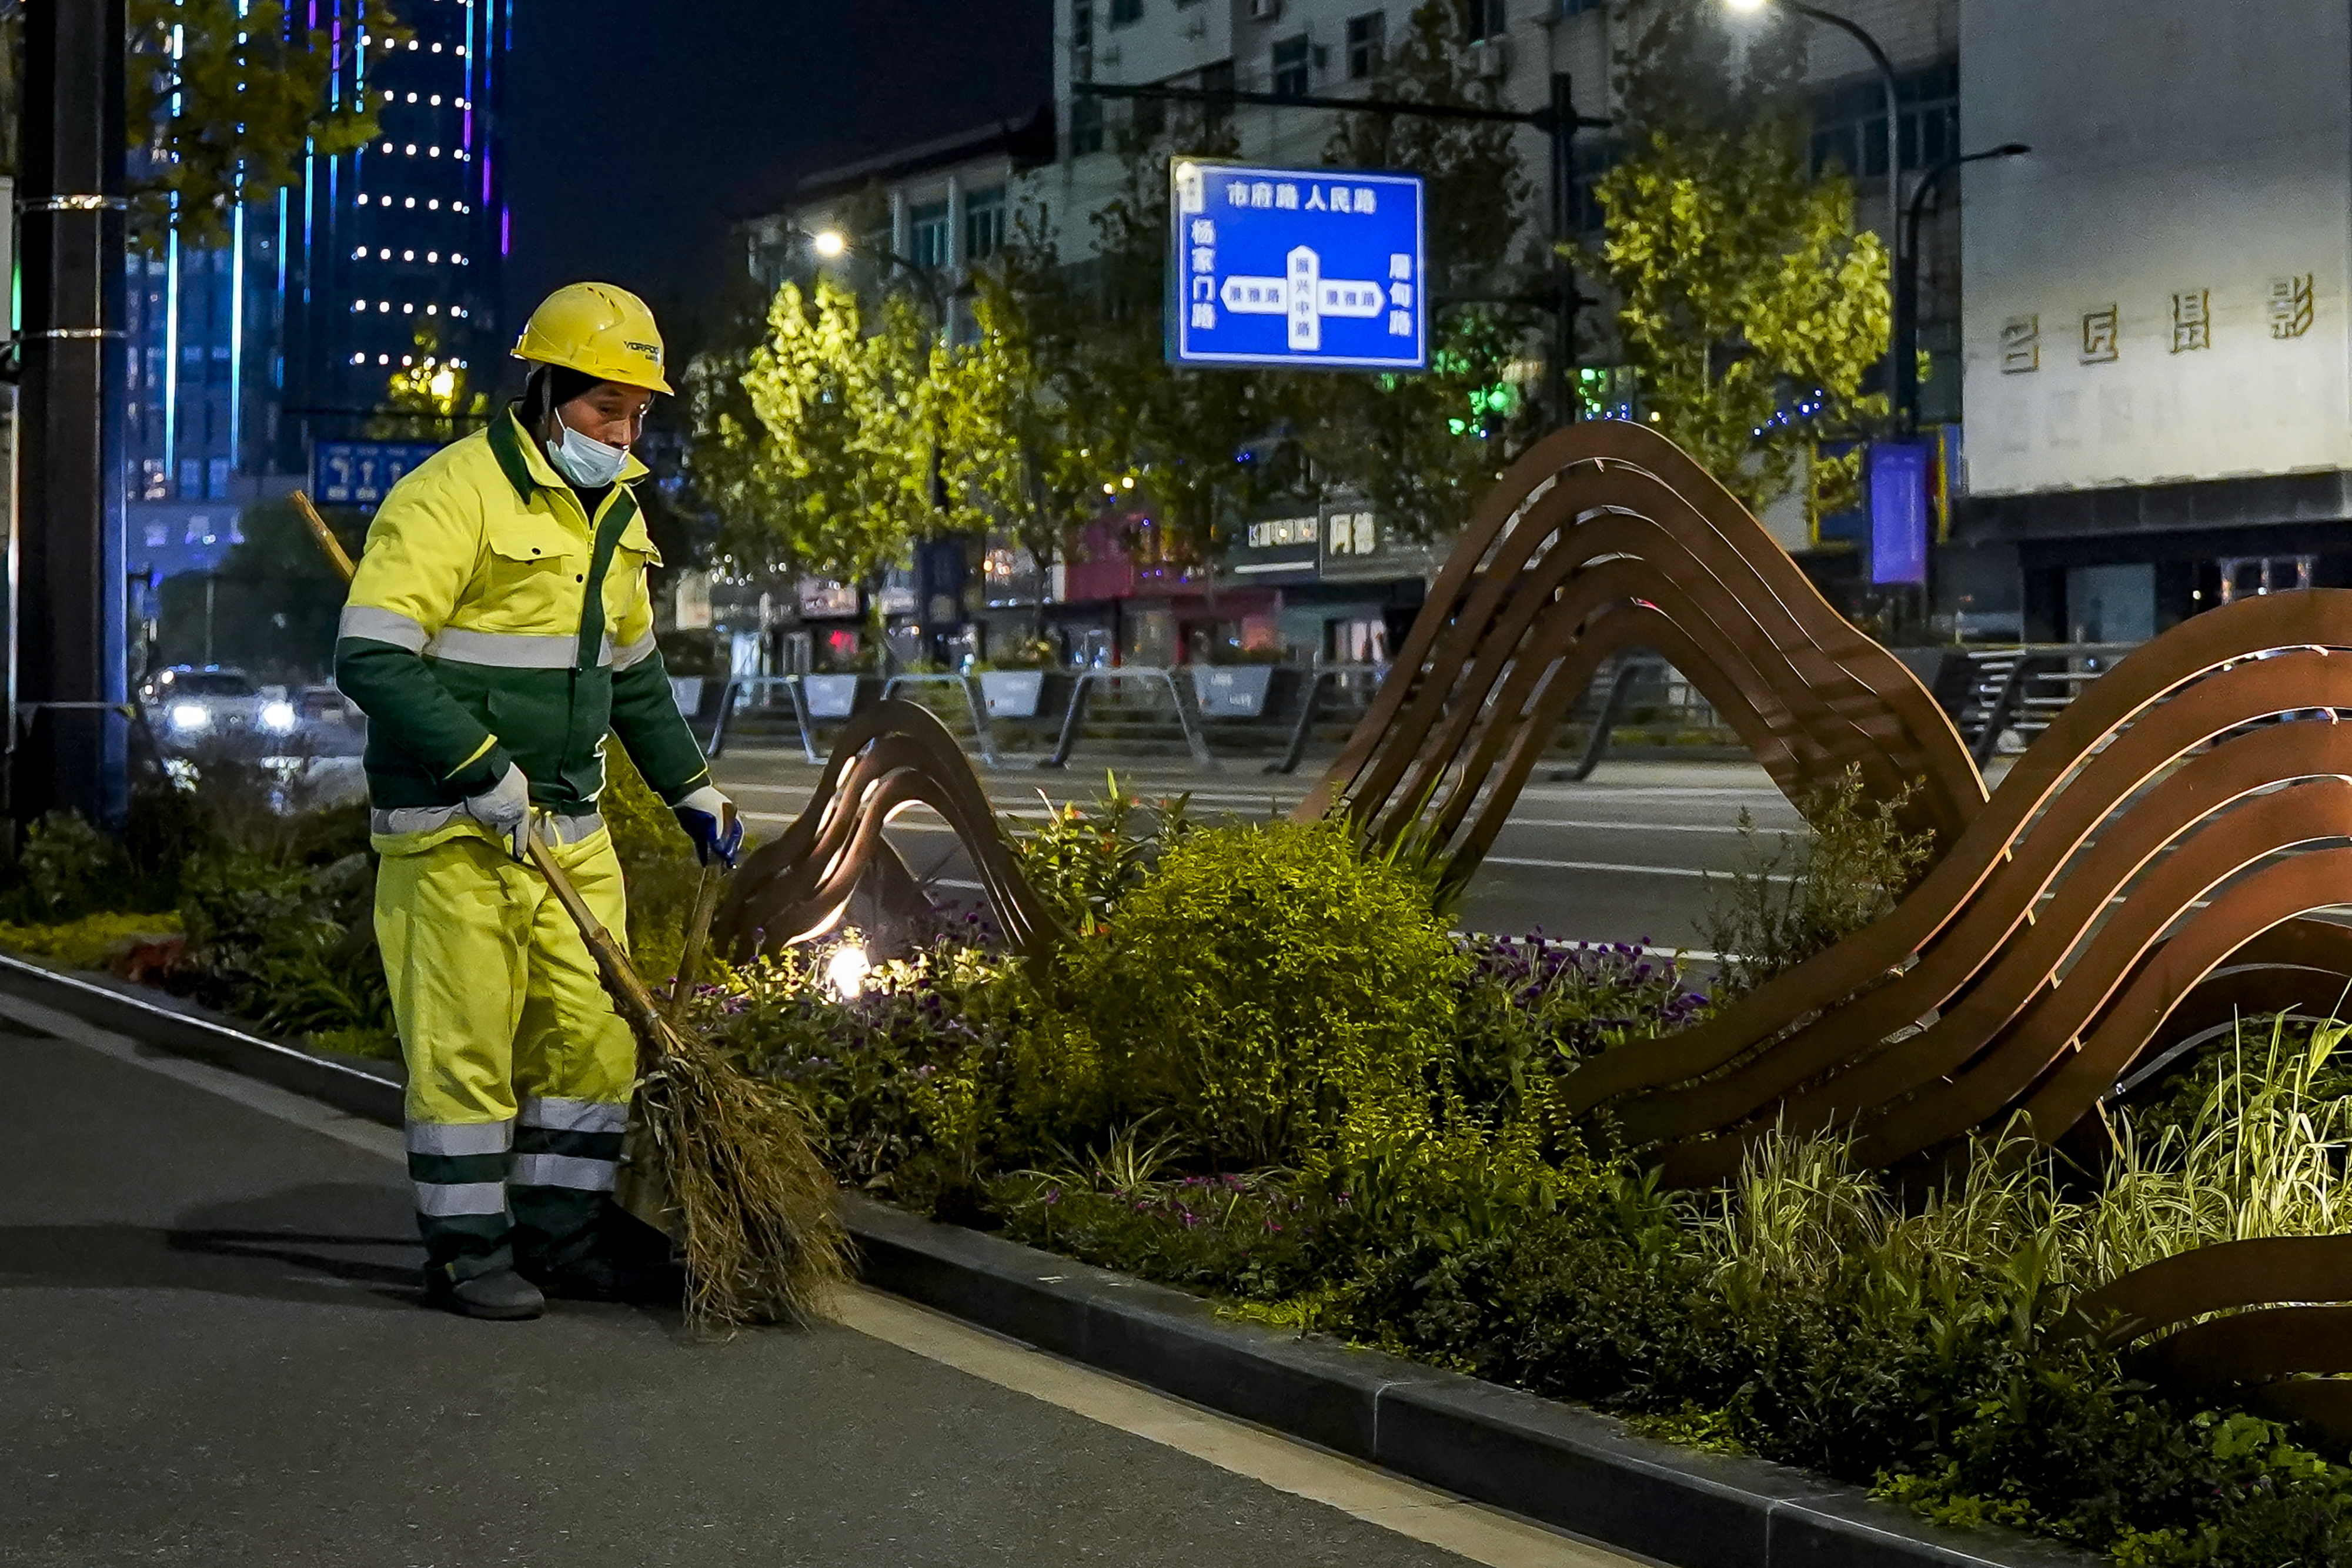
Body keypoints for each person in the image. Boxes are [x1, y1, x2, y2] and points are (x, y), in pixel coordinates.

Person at [335, 282, 743, 1320]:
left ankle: (565, 1242)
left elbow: (637, 679)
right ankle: (469, 1255)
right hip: (451, 837)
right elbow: (372, 658)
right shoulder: (450, 496)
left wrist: (694, 789)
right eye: (605, 408)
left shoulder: (618, 518)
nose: (622, 430)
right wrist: (479, 768)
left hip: (571, 829)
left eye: (638, 412)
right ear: (548, 389)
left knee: (593, 1043)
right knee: (465, 1048)